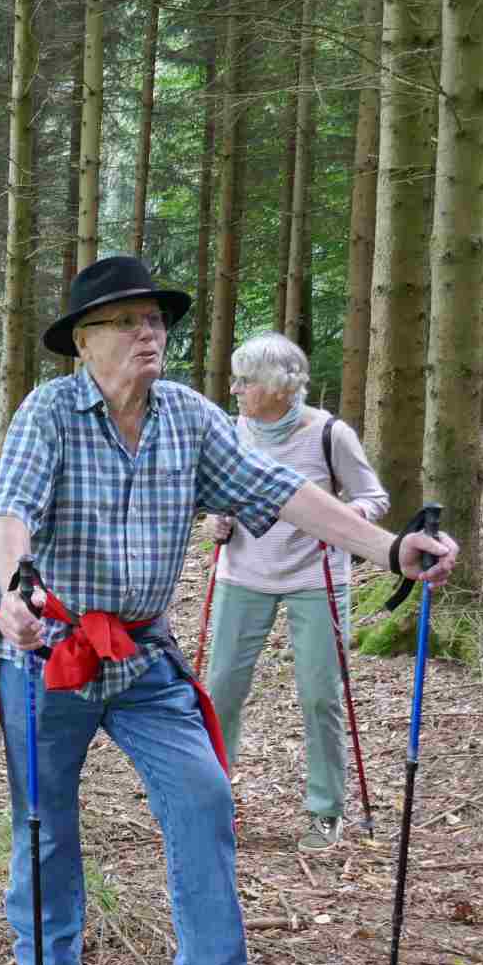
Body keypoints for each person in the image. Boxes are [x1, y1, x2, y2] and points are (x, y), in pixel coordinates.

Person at [0, 254, 457, 965]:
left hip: (142, 658)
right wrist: (14, 585)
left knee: (204, 798)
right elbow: (10, 512)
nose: (149, 332)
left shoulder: (189, 417)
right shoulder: (48, 413)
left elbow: (282, 491)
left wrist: (388, 548)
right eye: (128, 320)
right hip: (46, 652)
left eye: (155, 319)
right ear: (84, 341)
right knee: (45, 820)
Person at [203, 332, 390, 851]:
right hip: (243, 574)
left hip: (316, 578)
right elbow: (215, 497)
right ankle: (212, 801)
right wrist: (215, 521)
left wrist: (342, 518)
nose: (235, 389)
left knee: (319, 694)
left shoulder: (330, 434)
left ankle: (326, 810)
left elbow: (374, 497)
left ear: (280, 386)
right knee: (220, 691)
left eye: (246, 381)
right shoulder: (232, 432)